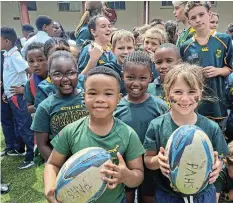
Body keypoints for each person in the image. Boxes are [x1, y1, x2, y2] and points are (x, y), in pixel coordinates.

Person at [44, 66, 145, 203]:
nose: (100, 99)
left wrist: (126, 176)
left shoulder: (127, 134)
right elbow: (53, 164)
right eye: (92, 93)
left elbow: (138, 175)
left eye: (108, 94)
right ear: (83, 96)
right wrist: (50, 186)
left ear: (119, 98)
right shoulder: (71, 131)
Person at [143, 63, 228, 203]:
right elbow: (147, 160)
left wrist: (218, 165)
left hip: (204, 195)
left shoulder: (211, 127)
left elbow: (221, 157)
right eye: (178, 92)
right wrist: (157, 161)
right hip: (168, 195)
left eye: (192, 92)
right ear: (167, 93)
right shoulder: (157, 125)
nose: (184, 98)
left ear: (200, 93)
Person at [114, 51, 168, 203]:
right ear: (122, 76)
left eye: (142, 78)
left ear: (151, 77)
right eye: (130, 77)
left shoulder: (160, 106)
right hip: (126, 164)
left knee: (149, 197)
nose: (136, 83)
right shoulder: (116, 107)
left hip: (152, 165)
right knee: (127, 196)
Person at [31, 50, 88, 163]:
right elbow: (42, 145)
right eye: (58, 74)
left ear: (78, 73)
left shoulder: (88, 99)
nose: (65, 79)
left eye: (71, 73)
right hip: (61, 166)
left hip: (90, 161)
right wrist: (60, 167)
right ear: (50, 77)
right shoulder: (45, 107)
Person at [180, 1, 232, 124]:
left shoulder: (224, 40)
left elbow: (230, 68)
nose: (198, 20)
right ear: (189, 21)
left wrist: (218, 70)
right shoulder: (185, 47)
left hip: (220, 104)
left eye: (201, 14)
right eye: (193, 17)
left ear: (209, 14)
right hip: (196, 105)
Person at [1, 26, 34, 169]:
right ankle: (20, 149)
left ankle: (32, 156)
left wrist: (25, 89)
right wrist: (5, 92)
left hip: (18, 98)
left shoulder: (15, 56)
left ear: (7, 41)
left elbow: (31, 72)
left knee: (24, 126)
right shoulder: (7, 55)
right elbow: (10, 76)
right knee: (18, 125)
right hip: (11, 97)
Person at [34, 37, 70, 109]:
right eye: (55, 56)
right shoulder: (44, 88)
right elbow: (41, 116)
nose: (61, 59)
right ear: (47, 59)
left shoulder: (81, 81)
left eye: (65, 54)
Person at [104, 29, 135, 96]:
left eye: (129, 48)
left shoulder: (140, 69)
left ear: (134, 49)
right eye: (121, 48)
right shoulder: (107, 70)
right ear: (112, 50)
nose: (126, 52)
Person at [24, 42, 48, 114]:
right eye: (31, 61)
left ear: (48, 59)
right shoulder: (30, 83)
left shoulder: (56, 78)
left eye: (40, 60)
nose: (35, 65)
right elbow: (28, 107)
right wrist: (42, 105)